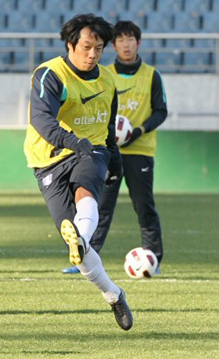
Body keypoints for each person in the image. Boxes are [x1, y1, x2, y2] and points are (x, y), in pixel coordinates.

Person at [23, 14, 133, 330]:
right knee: (80, 253)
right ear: (71, 44)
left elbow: (109, 125)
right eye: (86, 47)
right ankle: (114, 295)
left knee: (86, 189)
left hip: (92, 149)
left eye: (99, 48)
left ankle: (81, 238)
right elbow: (42, 121)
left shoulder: (108, 80)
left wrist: (115, 161)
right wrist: (72, 141)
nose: (92, 55)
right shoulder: (49, 75)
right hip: (49, 158)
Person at [89, 20, 167, 270]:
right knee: (100, 206)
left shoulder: (152, 75)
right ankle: (87, 257)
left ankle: (153, 258)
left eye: (130, 39)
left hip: (139, 151)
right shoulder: (104, 74)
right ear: (113, 45)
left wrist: (139, 131)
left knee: (144, 206)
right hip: (108, 150)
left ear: (138, 42)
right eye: (120, 40)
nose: (126, 44)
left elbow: (161, 111)